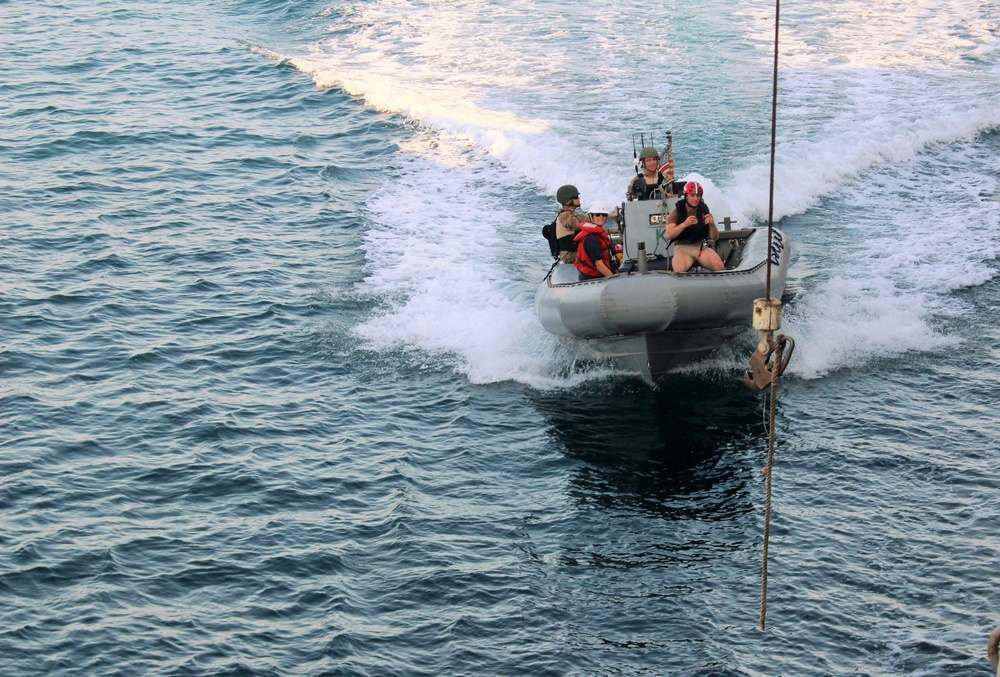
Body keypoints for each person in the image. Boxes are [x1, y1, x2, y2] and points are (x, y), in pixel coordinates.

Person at [664, 181, 725, 273]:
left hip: (699, 247)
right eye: (692, 195)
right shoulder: (676, 213)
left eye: (698, 196)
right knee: (679, 270)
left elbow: (715, 237)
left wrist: (712, 225)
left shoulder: (704, 211)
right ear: (686, 196)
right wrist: (684, 224)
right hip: (682, 248)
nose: (695, 199)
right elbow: (668, 235)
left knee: (719, 267)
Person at [574, 203, 617, 280]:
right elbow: (599, 265)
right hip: (591, 278)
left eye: (604, 215)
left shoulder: (598, 234)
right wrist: (614, 280)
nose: (601, 217)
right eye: (597, 214)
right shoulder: (592, 239)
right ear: (591, 216)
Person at [554, 184, 590, 263]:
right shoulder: (565, 216)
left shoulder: (572, 214)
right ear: (568, 201)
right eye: (576, 197)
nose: (579, 199)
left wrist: (611, 216)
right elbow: (583, 226)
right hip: (569, 255)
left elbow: (591, 219)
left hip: (574, 251)